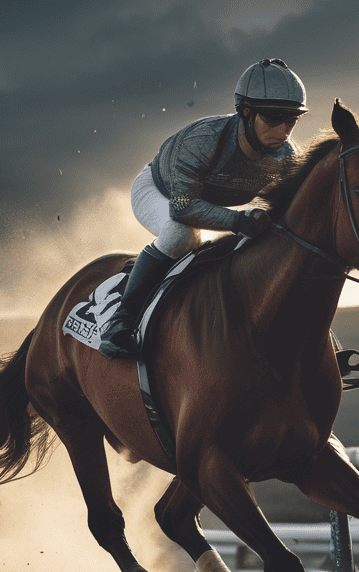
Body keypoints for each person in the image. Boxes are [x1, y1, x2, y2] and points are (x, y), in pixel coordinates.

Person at [99, 58, 308, 360]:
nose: (284, 130)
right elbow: (183, 209)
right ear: (246, 111)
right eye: (274, 118)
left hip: (203, 202)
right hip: (158, 191)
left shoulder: (287, 157)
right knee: (180, 236)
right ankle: (121, 321)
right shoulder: (203, 140)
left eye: (292, 119)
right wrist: (239, 220)